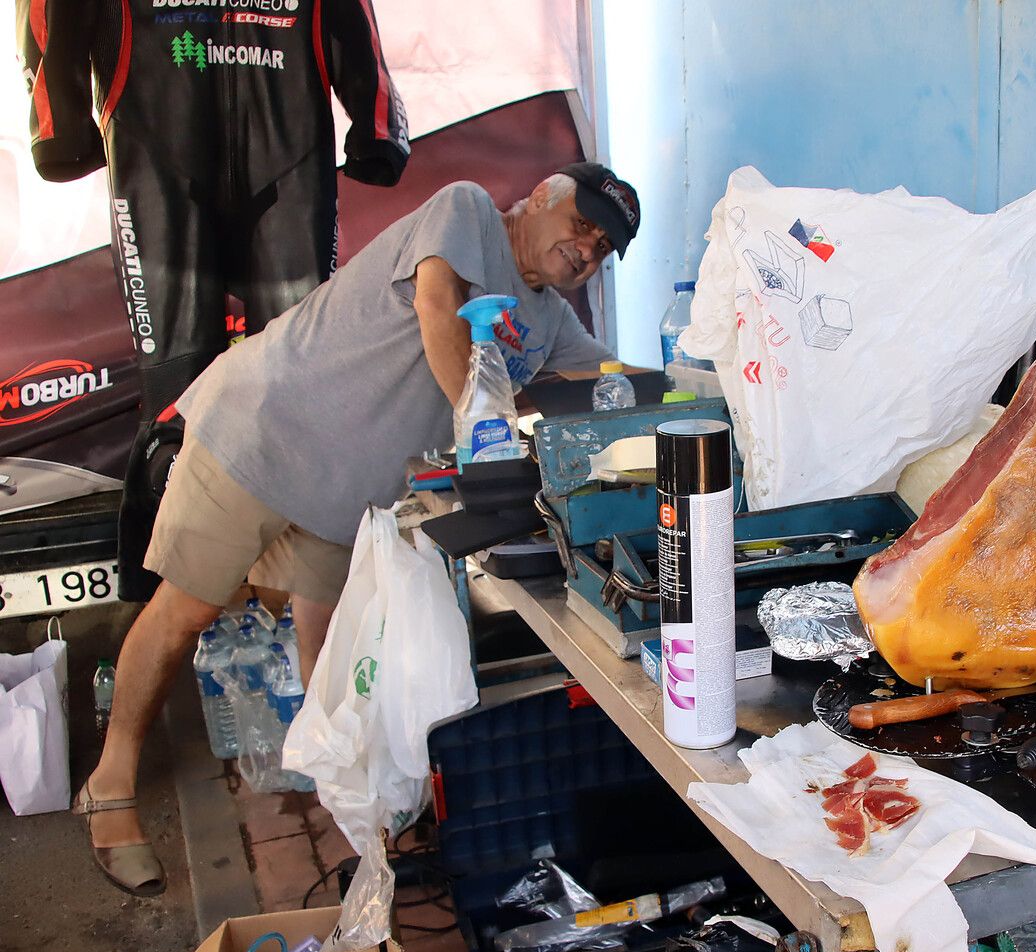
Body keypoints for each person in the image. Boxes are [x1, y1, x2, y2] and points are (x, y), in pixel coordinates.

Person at [72, 162, 641, 897]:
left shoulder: (553, 322)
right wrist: (483, 421)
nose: (586, 249)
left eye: (603, 247)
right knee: (185, 612)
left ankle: (359, 822)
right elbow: (440, 308)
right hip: (265, 429)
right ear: (539, 199)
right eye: (582, 225)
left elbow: (617, 383)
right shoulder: (466, 208)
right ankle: (109, 785)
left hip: (349, 499)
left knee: (335, 661)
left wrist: (707, 379)